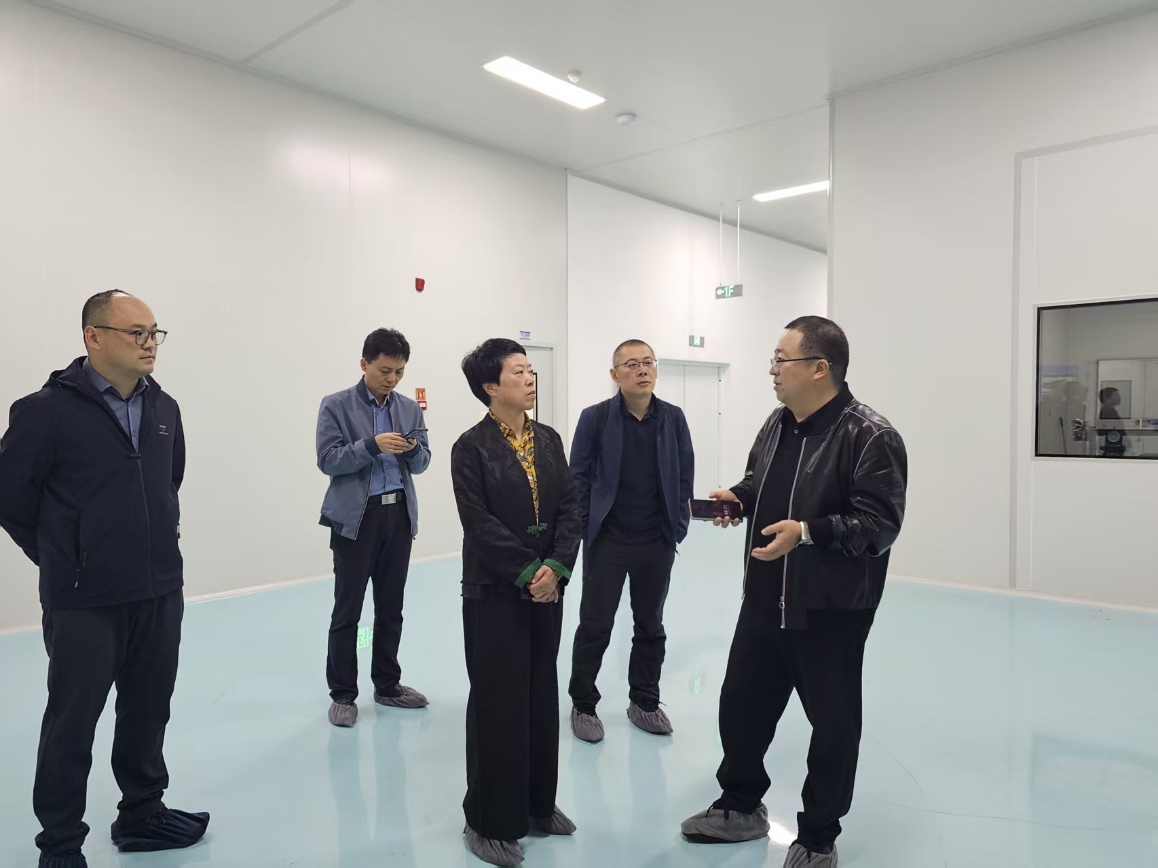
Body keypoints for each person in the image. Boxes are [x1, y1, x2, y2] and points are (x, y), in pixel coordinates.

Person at [680, 316, 907, 868]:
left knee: (832, 726)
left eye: (782, 360)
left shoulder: (871, 436)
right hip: (764, 596)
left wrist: (807, 532)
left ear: (820, 368)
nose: (773, 370)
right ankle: (740, 806)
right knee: (741, 706)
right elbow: (761, 481)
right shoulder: (778, 424)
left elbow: (879, 526)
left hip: (829, 609)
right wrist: (738, 497)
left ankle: (818, 837)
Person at [0, 290, 209, 868]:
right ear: (93, 337)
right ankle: (60, 843)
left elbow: (169, 484)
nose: (149, 344)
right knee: (72, 721)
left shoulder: (164, 408)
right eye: (135, 332)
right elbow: (11, 498)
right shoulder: (45, 412)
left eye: (154, 332)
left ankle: (142, 813)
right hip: (84, 599)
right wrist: (63, 556)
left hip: (159, 589)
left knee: (149, 708)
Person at [450, 338, 582, 868]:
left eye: (531, 371)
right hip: (494, 591)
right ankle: (487, 820)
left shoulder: (548, 439)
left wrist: (558, 567)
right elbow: (478, 523)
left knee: (540, 696)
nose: (530, 379)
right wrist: (528, 571)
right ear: (490, 386)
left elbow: (570, 506)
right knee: (497, 702)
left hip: (548, 589)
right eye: (519, 372)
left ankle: (537, 805)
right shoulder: (470, 448)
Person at [567, 339, 694, 742]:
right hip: (608, 541)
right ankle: (583, 703)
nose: (642, 370)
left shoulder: (672, 418)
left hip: (656, 541)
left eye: (648, 363)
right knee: (595, 625)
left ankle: (644, 701)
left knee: (650, 625)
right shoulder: (596, 418)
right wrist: (587, 527)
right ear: (615, 374)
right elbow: (577, 478)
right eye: (632, 364)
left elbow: (684, 477)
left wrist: (677, 527)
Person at [316, 328, 432, 727]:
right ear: (364, 364)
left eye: (399, 372)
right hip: (356, 520)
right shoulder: (335, 405)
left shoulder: (409, 409)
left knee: (391, 607)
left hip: (397, 516)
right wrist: (372, 445)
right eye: (385, 370)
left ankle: (387, 684)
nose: (392, 379)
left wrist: (412, 449)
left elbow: (423, 462)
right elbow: (328, 460)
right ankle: (343, 694)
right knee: (348, 609)